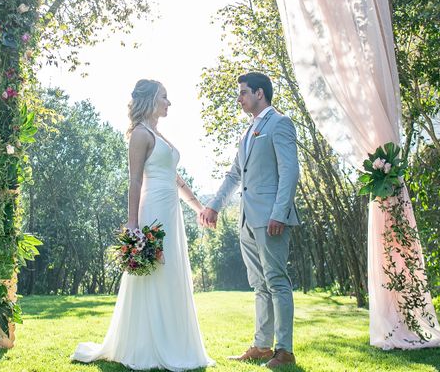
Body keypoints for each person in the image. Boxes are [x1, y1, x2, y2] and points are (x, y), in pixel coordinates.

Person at [72, 79, 215, 371]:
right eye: (165, 97)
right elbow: (135, 180)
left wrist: (200, 207)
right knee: (153, 273)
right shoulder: (140, 134)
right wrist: (133, 224)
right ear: (150, 100)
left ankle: (175, 342)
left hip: (171, 211)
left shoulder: (158, 134)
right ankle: (147, 345)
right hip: (152, 211)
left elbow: (178, 179)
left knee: (171, 271)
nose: (168, 102)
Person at [200, 72, 299, 369]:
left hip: (270, 219)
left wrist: (278, 213)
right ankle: (261, 345)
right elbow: (234, 176)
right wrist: (214, 207)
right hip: (247, 220)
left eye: (243, 92)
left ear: (259, 93)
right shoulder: (248, 133)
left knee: (277, 281)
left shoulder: (280, 123)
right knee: (259, 285)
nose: (239, 98)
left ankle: (285, 350)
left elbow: (290, 172)